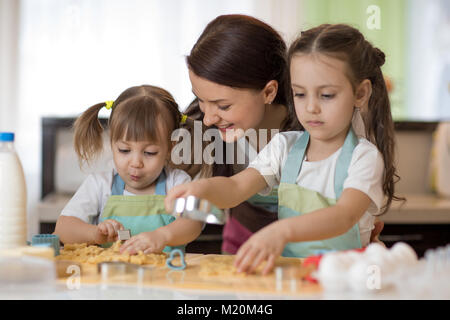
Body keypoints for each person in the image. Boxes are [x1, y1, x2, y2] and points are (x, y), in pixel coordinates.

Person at [166, 24, 403, 273]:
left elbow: (344, 216)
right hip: (295, 272)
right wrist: (200, 189)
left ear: (361, 93)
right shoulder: (284, 146)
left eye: (326, 95)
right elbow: (236, 187)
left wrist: (280, 231)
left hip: (345, 274)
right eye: (300, 94)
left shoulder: (364, 157)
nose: (311, 107)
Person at [54, 85, 203, 254]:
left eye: (149, 152)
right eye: (124, 150)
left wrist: (162, 236)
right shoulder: (101, 184)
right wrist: (94, 233)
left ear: (170, 147)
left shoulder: (177, 183)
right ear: (112, 144)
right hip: (112, 276)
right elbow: (63, 228)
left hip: (166, 277)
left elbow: (194, 222)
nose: (136, 163)